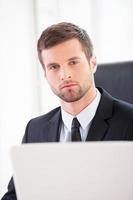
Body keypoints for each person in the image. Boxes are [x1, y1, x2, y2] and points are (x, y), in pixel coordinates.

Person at [2, 22, 133, 200]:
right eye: (54, 67)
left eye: (73, 62)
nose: (64, 75)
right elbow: (15, 196)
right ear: (45, 74)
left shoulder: (129, 122)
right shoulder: (35, 129)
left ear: (92, 63)